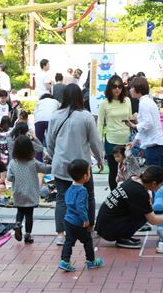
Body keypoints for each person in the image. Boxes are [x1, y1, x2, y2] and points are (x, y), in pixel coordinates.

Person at [47, 84, 103, 245]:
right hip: (82, 166)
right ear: (80, 97)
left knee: (61, 198)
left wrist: (55, 156)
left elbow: (49, 142)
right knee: (89, 196)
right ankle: (89, 228)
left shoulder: (55, 115)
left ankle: (60, 234)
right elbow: (94, 141)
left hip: (61, 164)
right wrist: (100, 159)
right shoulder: (86, 116)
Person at [95, 166, 163, 248]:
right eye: (161, 184)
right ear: (154, 183)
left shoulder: (134, 179)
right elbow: (153, 220)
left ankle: (124, 236)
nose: (160, 187)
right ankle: (122, 238)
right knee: (144, 215)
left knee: (145, 209)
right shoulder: (138, 192)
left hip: (104, 224)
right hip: (109, 230)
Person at [58, 159, 104, 272]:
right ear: (85, 176)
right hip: (79, 222)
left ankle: (64, 261)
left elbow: (67, 202)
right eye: (89, 171)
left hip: (68, 221)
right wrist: (85, 219)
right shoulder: (82, 190)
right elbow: (80, 206)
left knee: (69, 241)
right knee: (87, 241)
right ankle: (91, 261)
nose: (90, 173)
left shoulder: (70, 188)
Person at [8, 135, 52, 244]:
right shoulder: (32, 162)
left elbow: (9, 177)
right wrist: (50, 163)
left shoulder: (13, 163)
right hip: (31, 192)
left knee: (20, 211)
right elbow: (45, 169)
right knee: (29, 215)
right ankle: (28, 235)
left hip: (18, 192)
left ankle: (18, 224)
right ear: (30, 149)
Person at [98, 75, 132, 189]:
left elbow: (130, 118)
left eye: (120, 86)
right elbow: (100, 123)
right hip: (111, 140)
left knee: (128, 170)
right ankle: (114, 196)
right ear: (109, 88)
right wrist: (99, 142)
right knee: (113, 171)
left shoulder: (127, 101)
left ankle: (127, 195)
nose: (117, 89)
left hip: (126, 140)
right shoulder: (104, 103)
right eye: (114, 86)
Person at [126, 77, 163, 167]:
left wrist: (134, 126)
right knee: (159, 177)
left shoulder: (143, 103)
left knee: (154, 178)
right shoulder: (148, 101)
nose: (130, 90)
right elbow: (145, 127)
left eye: (132, 87)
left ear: (138, 88)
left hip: (154, 146)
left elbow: (148, 123)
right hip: (158, 144)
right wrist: (134, 142)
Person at [34, 94, 60, 160]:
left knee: (38, 142)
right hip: (51, 120)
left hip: (39, 120)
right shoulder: (56, 101)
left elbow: (35, 113)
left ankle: (39, 161)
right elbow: (60, 112)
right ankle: (53, 159)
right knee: (52, 141)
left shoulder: (39, 102)